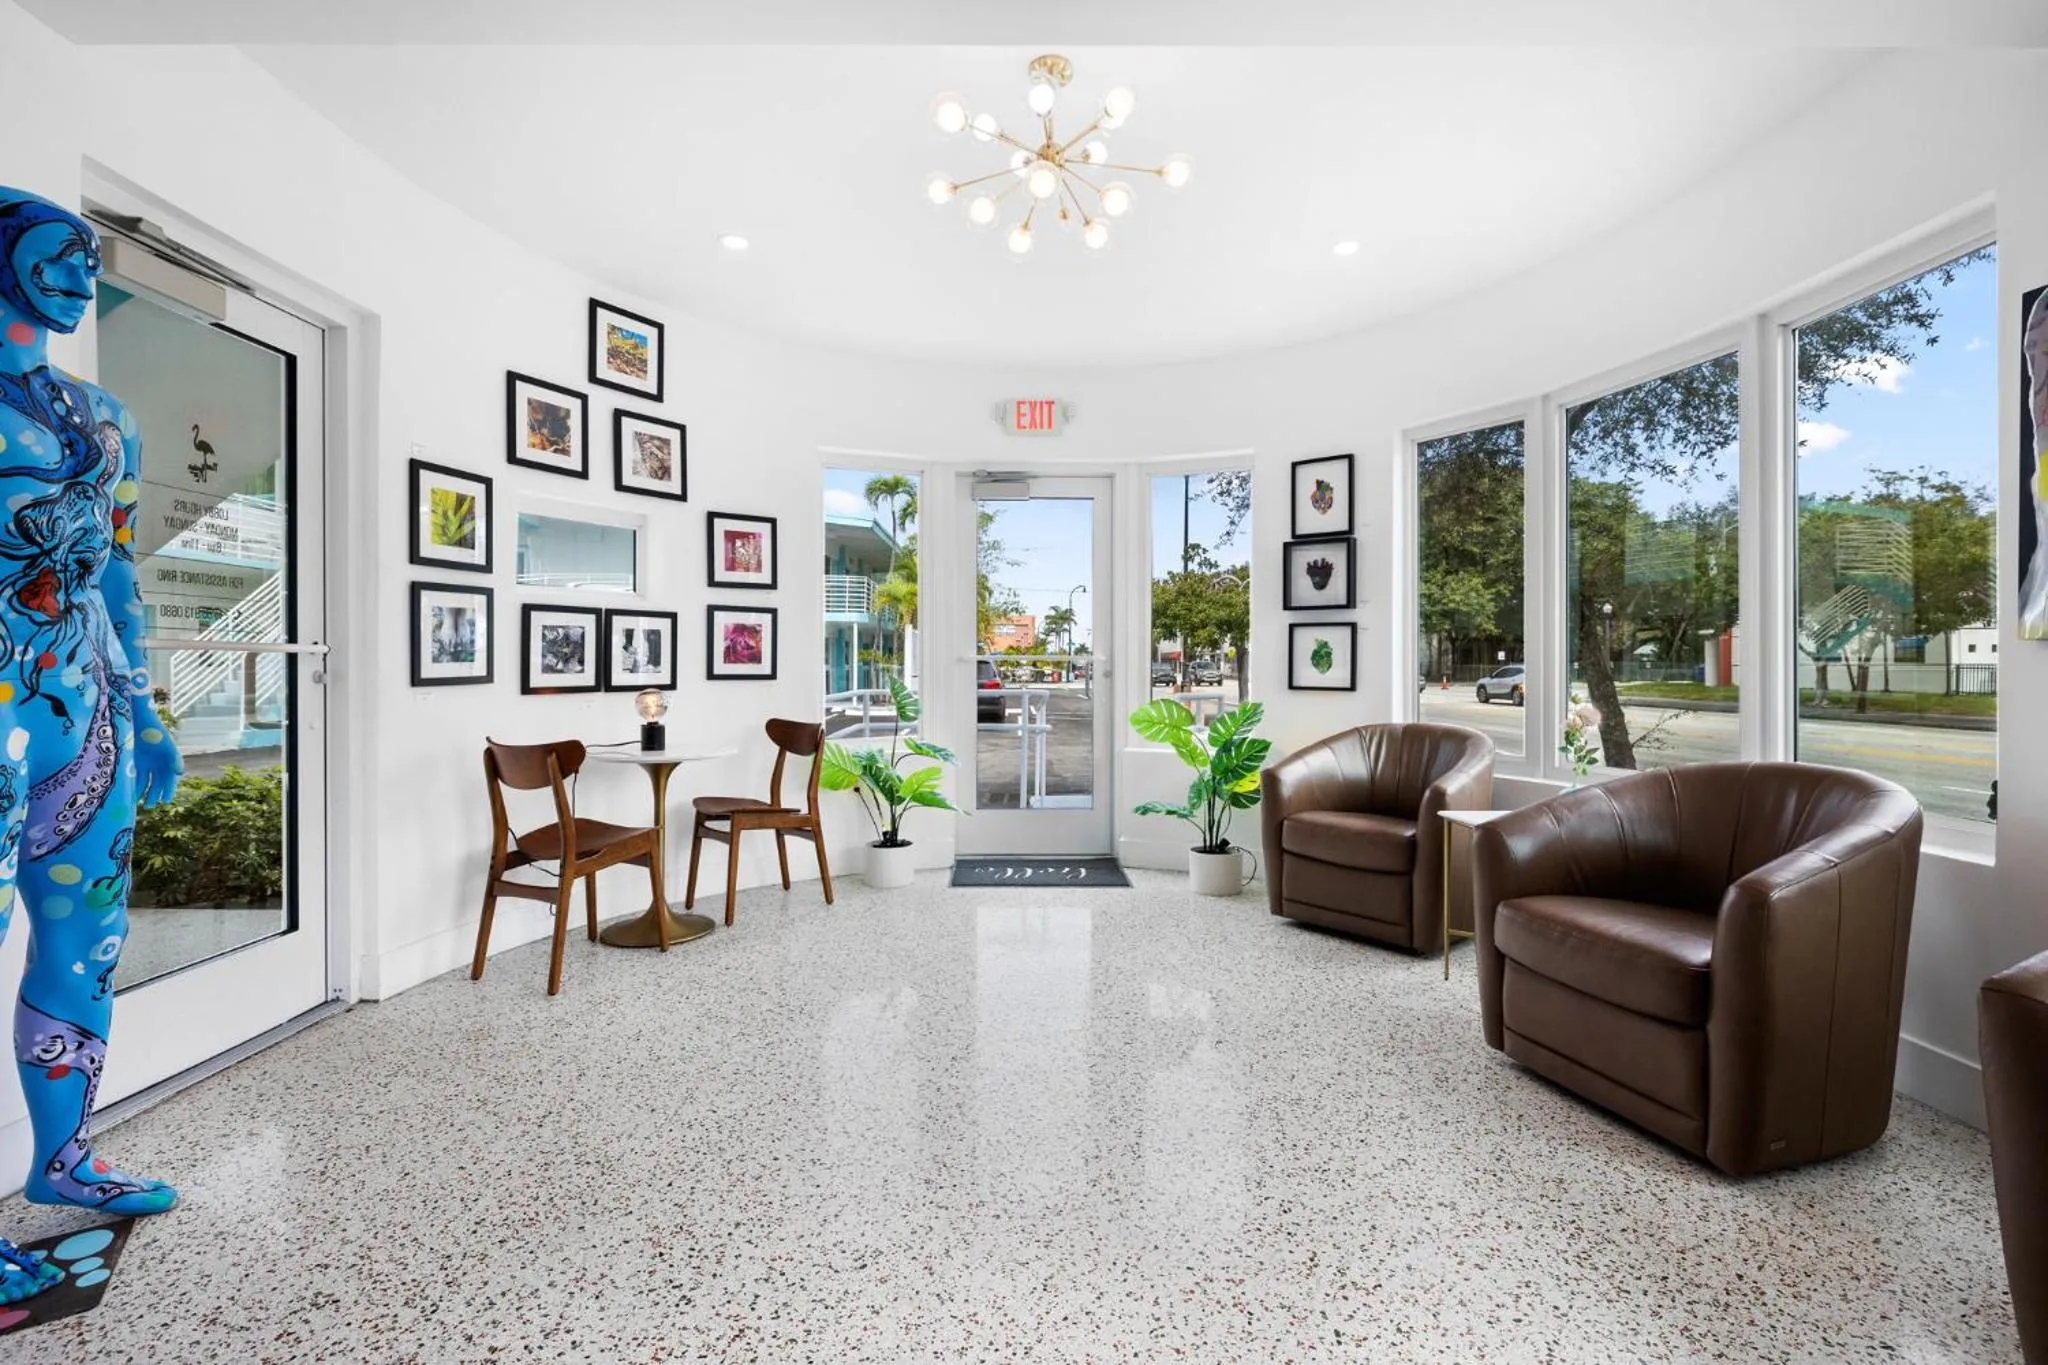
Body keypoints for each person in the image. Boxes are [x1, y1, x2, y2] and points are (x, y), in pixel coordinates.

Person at [0, 186, 186, 1303]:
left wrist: (147, 710)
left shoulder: (106, 415)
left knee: (84, 941)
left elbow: (115, 575)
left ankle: (64, 1162)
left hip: (84, 717)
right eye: (57, 255)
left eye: (90, 258)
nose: (80, 274)